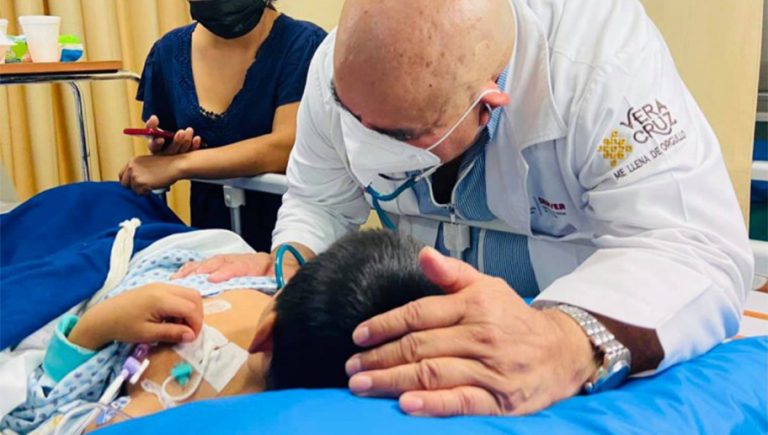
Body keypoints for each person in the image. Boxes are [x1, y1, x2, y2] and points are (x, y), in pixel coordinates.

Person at [176, 0, 754, 417]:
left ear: (489, 102)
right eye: (358, 122)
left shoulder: (599, 67)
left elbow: (694, 246)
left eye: (400, 133)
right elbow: (317, 199)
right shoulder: (341, 70)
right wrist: (292, 269)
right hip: (419, 344)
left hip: (570, 338)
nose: (368, 139)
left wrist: (564, 341)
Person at [0, 231, 442, 433]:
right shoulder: (294, 304)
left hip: (120, 273)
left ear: (264, 334)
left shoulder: (161, 401)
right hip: (188, 247)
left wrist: (97, 326)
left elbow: (37, 411)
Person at [118, 0, 326, 251]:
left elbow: (285, 147)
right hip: (212, 244)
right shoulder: (169, 52)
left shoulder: (304, 45)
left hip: (296, 240)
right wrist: (166, 149)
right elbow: (166, 143)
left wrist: (177, 165)